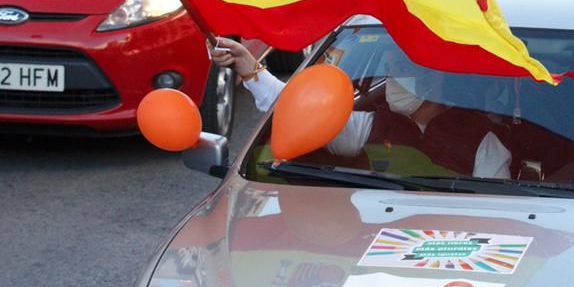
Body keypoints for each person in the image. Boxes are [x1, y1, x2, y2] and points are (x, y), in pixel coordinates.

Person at [213, 38, 520, 179]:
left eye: (403, 67)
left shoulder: (482, 144)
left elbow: (502, 214)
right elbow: (297, 111)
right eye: (390, 66)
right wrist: (248, 66)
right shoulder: (370, 126)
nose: (393, 77)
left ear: (436, 78)